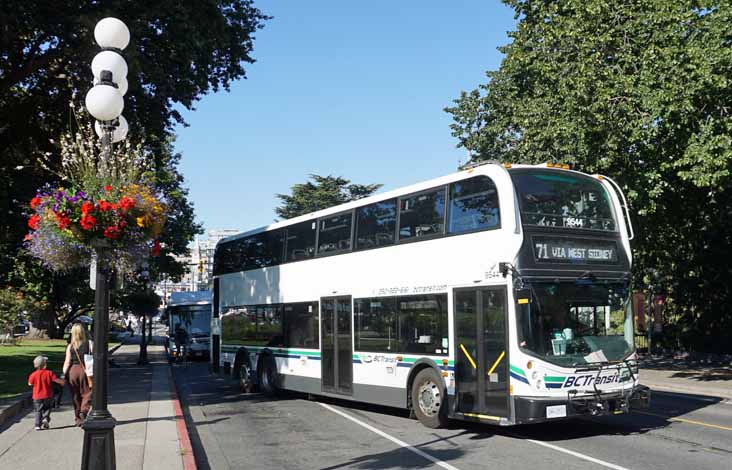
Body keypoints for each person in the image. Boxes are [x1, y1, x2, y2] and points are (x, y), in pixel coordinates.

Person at [63, 323, 93, 426]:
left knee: (75, 395)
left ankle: (77, 418)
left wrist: (64, 374)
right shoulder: (89, 343)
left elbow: (67, 362)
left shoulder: (70, 346)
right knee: (87, 392)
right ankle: (84, 411)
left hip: (72, 371)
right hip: (85, 371)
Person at [28, 355, 65, 430]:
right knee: (47, 408)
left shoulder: (33, 374)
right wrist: (62, 382)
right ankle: (45, 418)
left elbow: (30, 383)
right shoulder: (49, 373)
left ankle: (37, 425)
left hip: (37, 396)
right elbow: (56, 380)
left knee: (38, 410)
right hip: (48, 395)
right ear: (45, 365)